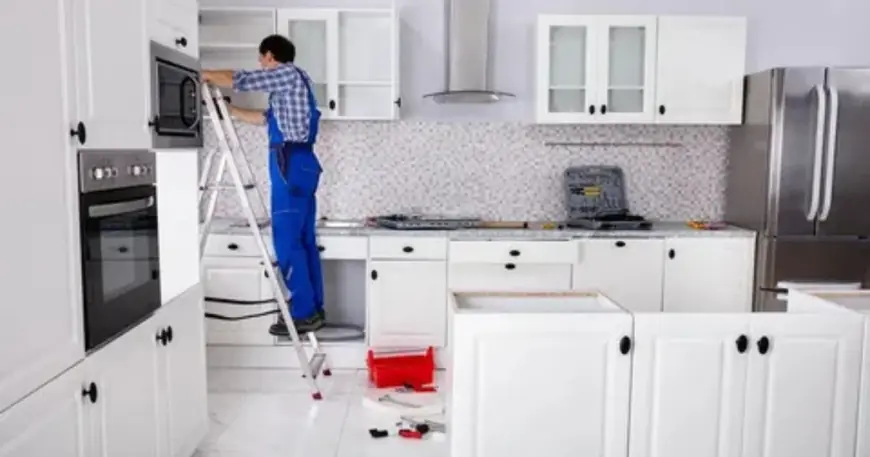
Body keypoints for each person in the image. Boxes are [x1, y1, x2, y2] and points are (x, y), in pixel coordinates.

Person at [201, 35, 325, 336]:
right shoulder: (298, 83)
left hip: (290, 164)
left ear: (270, 55)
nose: (260, 64)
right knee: (303, 240)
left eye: (261, 59)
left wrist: (202, 74)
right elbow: (265, 119)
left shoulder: (285, 73)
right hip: (302, 164)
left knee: (287, 242)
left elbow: (241, 79)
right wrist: (230, 110)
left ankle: (303, 312)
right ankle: (314, 309)